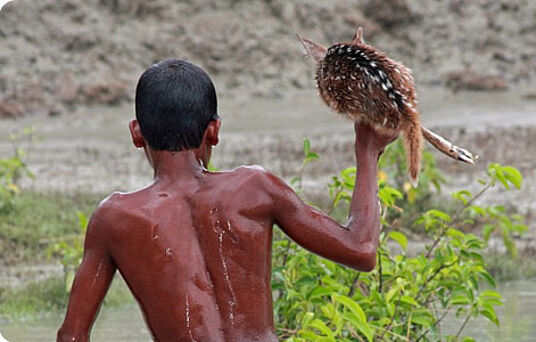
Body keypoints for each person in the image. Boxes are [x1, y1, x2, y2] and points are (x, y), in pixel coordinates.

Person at [57, 58, 398, 342]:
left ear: (136, 133)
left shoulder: (115, 217)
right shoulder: (255, 187)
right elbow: (362, 250)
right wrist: (367, 151)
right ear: (214, 131)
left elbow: (72, 336)